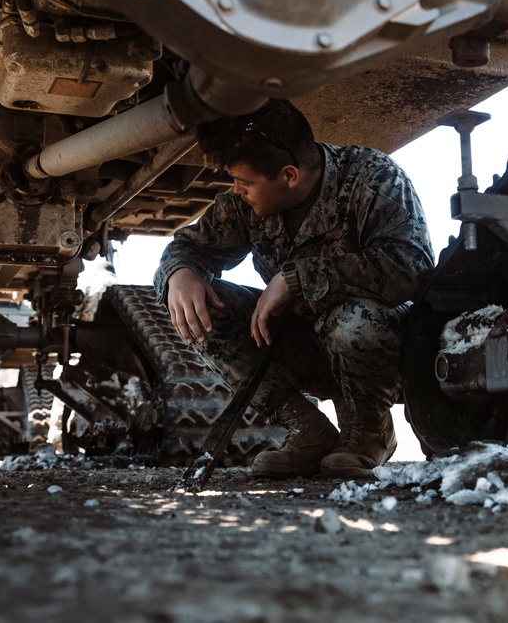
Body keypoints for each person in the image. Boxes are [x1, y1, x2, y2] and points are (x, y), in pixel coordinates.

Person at [155, 100, 433, 479]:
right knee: (199, 304)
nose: (236, 190)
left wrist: (296, 279)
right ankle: (307, 431)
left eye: (245, 182)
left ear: (288, 175)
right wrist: (180, 273)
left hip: (382, 354)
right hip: (303, 344)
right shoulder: (244, 203)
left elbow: (411, 268)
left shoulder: (373, 178)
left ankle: (369, 430)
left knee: (352, 321)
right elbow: (188, 247)